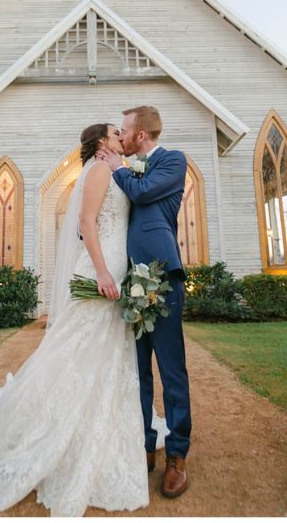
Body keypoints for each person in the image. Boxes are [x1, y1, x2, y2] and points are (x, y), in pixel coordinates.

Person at [0, 122, 168, 517]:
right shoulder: (100, 170)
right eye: (116, 131)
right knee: (77, 350)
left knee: (105, 354)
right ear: (102, 141)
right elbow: (87, 223)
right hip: (102, 271)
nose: (122, 133)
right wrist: (102, 272)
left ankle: (102, 426)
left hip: (119, 267)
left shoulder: (117, 168)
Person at [97, 105, 192, 499]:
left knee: (171, 370)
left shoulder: (172, 161)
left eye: (125, 130)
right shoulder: (128, 167)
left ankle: (177, 455)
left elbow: (142, 191)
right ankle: (143, 444)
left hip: (163, 278)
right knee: (137, 371)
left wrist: (118, 166)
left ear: (140, 135)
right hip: (129, 280)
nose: (121, 135)